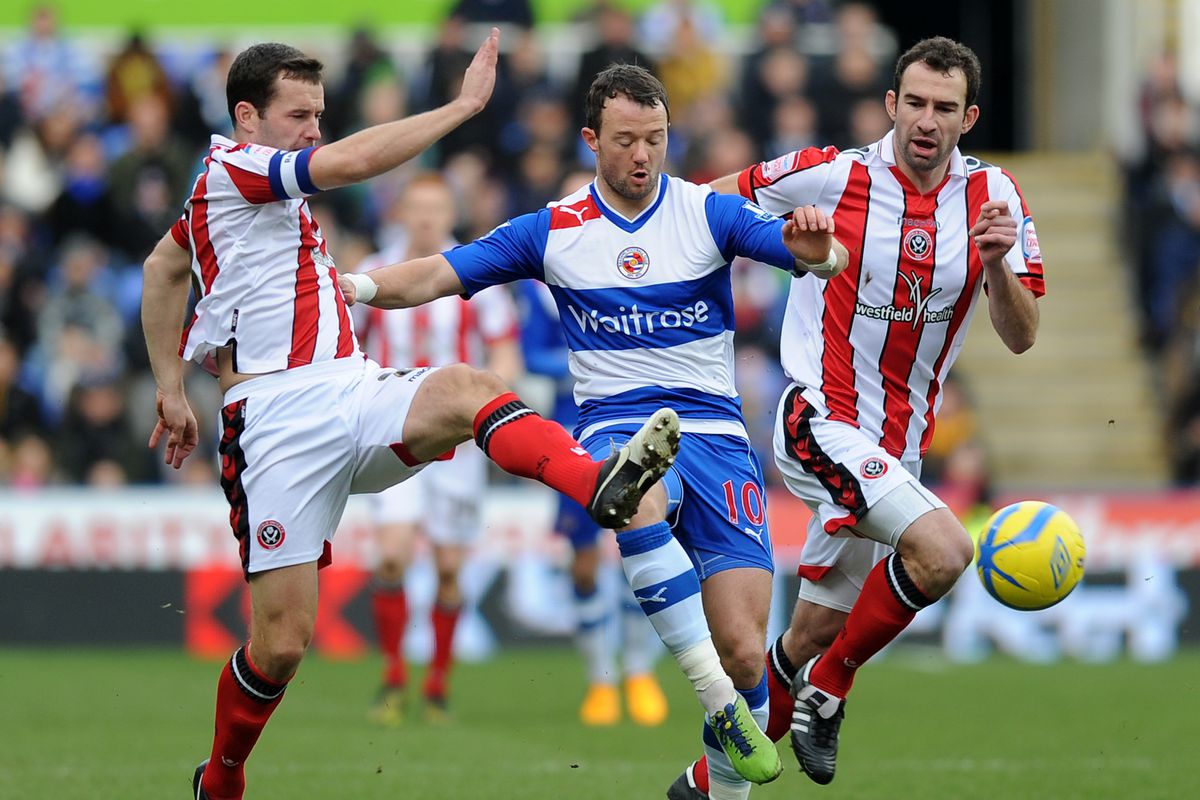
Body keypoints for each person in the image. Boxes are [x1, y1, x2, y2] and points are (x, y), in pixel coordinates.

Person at [140, 32, 681, 800]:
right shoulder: (233, 167)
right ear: (247, 117)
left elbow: (163, 267)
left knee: (466, 386)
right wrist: (462, 106)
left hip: (352, 387)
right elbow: (351, 165)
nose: (314, 130)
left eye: (320, 114)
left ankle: (595, 485)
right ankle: (222, 777)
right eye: (299, 116)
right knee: (281, 647)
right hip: (273, 425)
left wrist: (168, 382)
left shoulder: (230, 198)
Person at [338, 63, 849, 798]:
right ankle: (707, 696)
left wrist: (816, 248)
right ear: (591, 140)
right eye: (625, 140)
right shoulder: (555, 229)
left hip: (719, 437)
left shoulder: (707, 212)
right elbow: (438, 274)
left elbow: (821, 262)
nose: (642, 155)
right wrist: (353, 285)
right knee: (634, 490)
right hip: (616, 426)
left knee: (747, 654)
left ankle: (711, 783)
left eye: (656, 139)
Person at [669, 36, 1044, 798]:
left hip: (895, 451)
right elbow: (698, 209)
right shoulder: (831, 174)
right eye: (914, 103)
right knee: (943, 550)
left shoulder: (995, 198)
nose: (926, 121)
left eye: (944, 108)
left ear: (968, 117)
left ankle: (705, 786)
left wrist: (1000, 262)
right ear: (890, 106)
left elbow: (1022, 334)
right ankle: (832, 692)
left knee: (809, 636)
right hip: (818, 419)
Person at [355, 173, 525, 724]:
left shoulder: (479, 275)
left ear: (449, 211)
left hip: (458, 443)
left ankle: (437, 687)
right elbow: (346, 349)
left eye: (437, 209)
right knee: (390, 555)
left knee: (451, 569)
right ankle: (393, 678)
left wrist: (487, 411)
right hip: (392, 431)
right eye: (418, 208)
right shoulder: (370, 277)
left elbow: (505, 353)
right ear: (401, 212)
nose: (427, 218)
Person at [515, 275, 668, 728]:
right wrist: (584, 363)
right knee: (583, 563)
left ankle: (639, 672)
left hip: (632, 422)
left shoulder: (632, 274)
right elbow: (531, 356)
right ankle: (600, 679)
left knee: (639, 550)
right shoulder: (537, 288)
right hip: (573, 431)